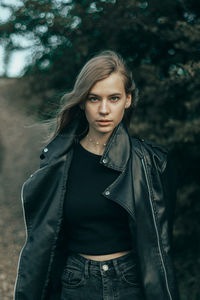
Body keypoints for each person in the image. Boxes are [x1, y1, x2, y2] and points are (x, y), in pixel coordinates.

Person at [14, 50, 180, 300]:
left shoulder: (151, 162)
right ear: (82, 102)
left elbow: (160, 246)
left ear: (127, 100)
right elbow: (42, 244)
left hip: (131, 282)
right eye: (94, 99)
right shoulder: (58, 162)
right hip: (75, 281)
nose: (104, 109)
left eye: (114, 98)